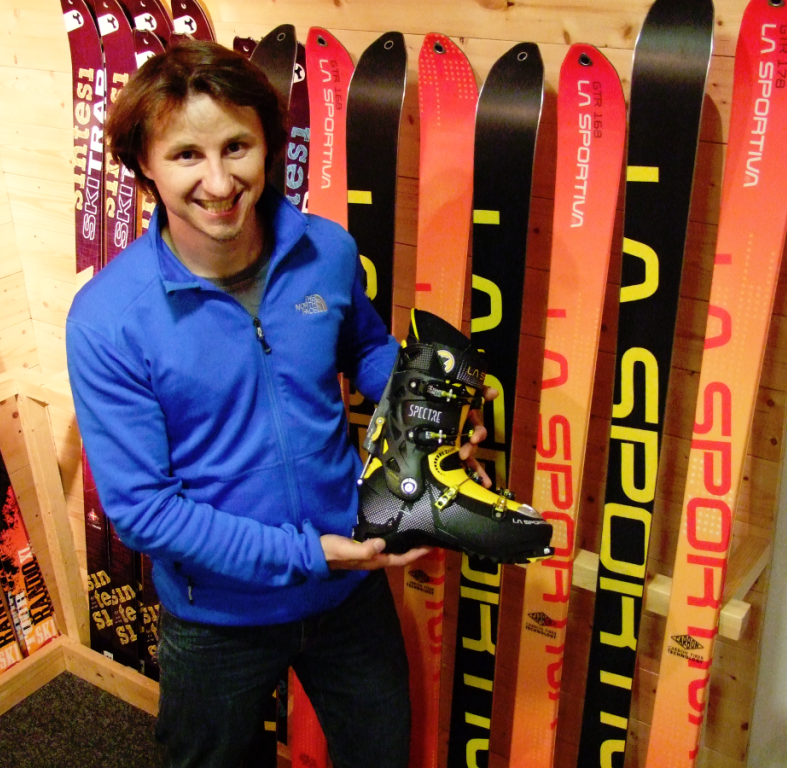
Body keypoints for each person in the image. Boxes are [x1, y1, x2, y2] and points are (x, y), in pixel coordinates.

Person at [66, 40, 491, 768]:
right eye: (186, 156)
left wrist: (432, 413)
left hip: (348, 593)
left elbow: (364, 349)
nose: (220, 181)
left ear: (269, 147)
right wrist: (309, 554)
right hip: (217, 616)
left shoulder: (324, 250)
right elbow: (143, 511)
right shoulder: (109, 320)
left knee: (381, 754)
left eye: (238, 147)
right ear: (144, 167)